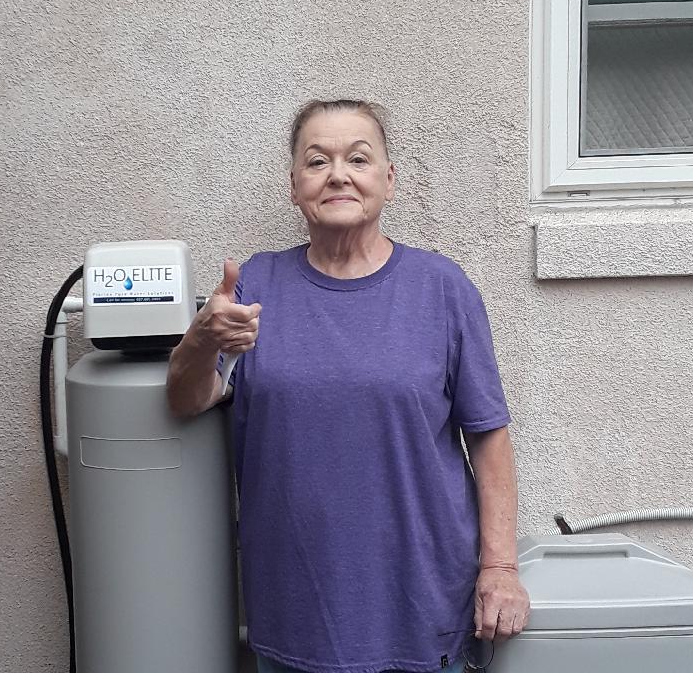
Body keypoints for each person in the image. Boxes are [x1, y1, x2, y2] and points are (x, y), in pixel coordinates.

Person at [167, 99, 529, 673]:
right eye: (317, 161)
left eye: (358, 159)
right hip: (294, 607)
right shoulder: (256, 286)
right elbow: (186, 400)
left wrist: (500, 569)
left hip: (423, 604)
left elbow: (488, 438)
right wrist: (200, 340)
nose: (338, 174)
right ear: (294, 186)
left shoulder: (441, 288)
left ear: (389, 179)